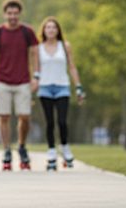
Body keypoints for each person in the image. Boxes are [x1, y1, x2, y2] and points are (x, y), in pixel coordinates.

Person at [0, 0, 39, 171]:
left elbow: (34, 54)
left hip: (23, 81)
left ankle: (21, 146)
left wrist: (36, 76)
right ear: (4, 14)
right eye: (9, 13)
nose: (12, 16)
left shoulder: (27, 32)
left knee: (25, 116)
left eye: (15, 13)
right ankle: (6, 150)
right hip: (2, 81)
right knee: (3, 117)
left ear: (19, 14)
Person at [34, 17, 84, 171]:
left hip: (62, 86)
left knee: (62, 121)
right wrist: (31, 90)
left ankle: (65, 148)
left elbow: (72, 67)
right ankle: (51, 152)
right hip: (45, 87)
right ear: (44, 30)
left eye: (53, 27)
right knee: (50, 122)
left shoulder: (65, 46)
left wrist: (79, 87)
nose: (50, 30)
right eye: (48, 27)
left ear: (58, 30)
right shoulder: (38, 47)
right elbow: (36, 70)